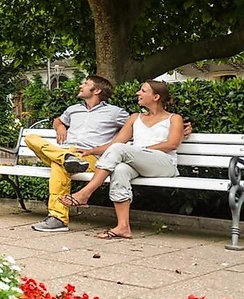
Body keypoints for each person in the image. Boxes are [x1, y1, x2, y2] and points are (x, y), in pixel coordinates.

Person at [61, 80, 184, 239]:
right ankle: (123, 226)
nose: (138, 93)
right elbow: (115, 143)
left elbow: (172, 144)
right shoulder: (135, 118)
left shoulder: (174, 118)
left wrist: (139, 151)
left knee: (121, 149)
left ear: (156, 97)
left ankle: (86, 192)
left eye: (143, 90)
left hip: (164, 164)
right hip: (139, 162)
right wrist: (92, 151)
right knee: (120, 170)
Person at [24, 76, 130, 232]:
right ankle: (66, 159)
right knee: (30, 138)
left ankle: (58, 217)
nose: (81, 86)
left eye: (86, 84)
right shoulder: (73, 109)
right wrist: (60, 126)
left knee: (58, 165)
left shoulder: (115, 113)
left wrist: (104, 147)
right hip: (67, 151)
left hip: (90, 157)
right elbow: (57, 121)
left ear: (97, 90)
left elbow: (134, 127)